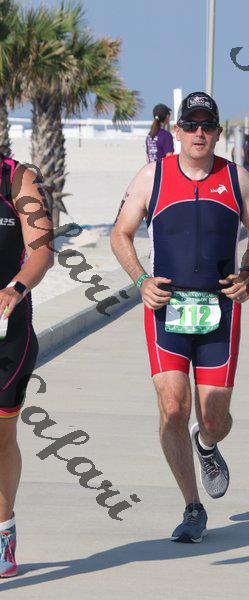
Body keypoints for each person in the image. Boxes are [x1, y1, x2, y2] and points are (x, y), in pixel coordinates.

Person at [111, 91, 249, 543]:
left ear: (218, 133)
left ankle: (207, 443)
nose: (199, 132)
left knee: (214, 418)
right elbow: (120, 234)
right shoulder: (152, 176)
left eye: (207, 125)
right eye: (191, 125)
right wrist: (141, 280)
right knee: (173, 409)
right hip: (167, 309)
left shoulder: (236, 177)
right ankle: (192, 507)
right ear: (177, 131)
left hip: (220, 309)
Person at [0, 155, 53, 576]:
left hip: (8, 334)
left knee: (1, 438)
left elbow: (42, 251)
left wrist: (16, 287)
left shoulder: (17, 179)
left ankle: (3, 532)